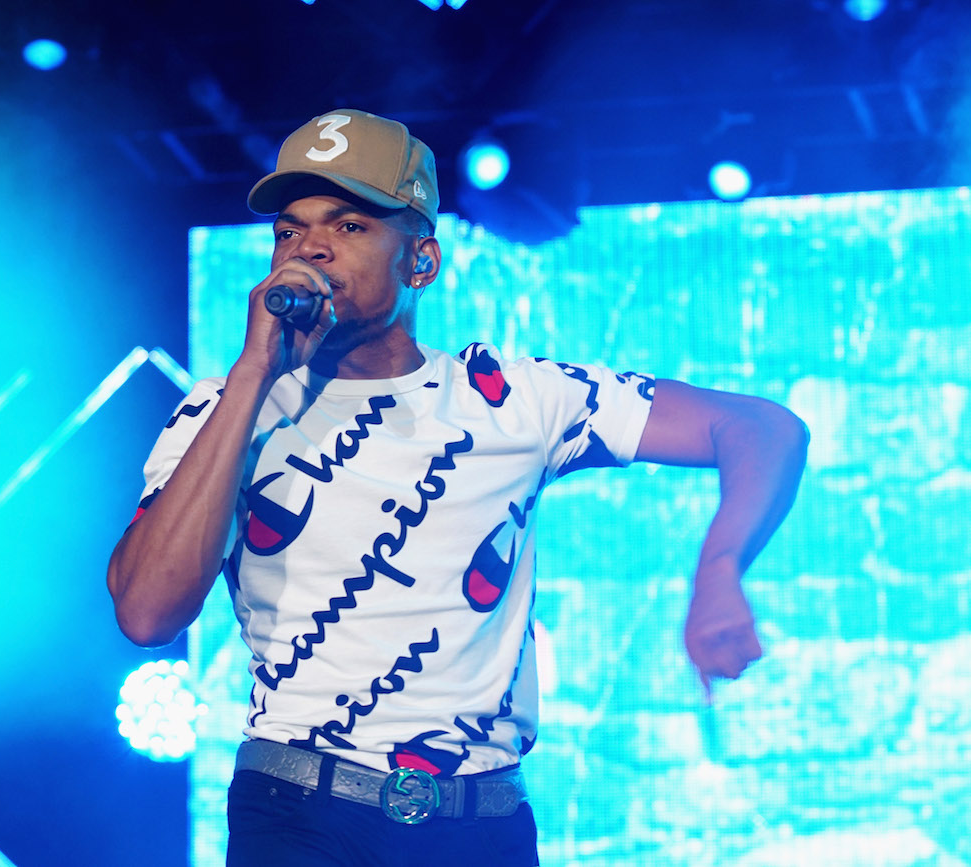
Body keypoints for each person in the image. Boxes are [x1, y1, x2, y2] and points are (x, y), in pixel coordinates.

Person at [107, 108, 808, 866]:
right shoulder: (221, 411)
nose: (309, 247)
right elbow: (146, 613)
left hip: (480, 825)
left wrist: (719, 568)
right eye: (289, 231)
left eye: (349, 225)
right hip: (299, 816)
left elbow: (761, 428)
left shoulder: (513, 398)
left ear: (422, 262)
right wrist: (253, 375)